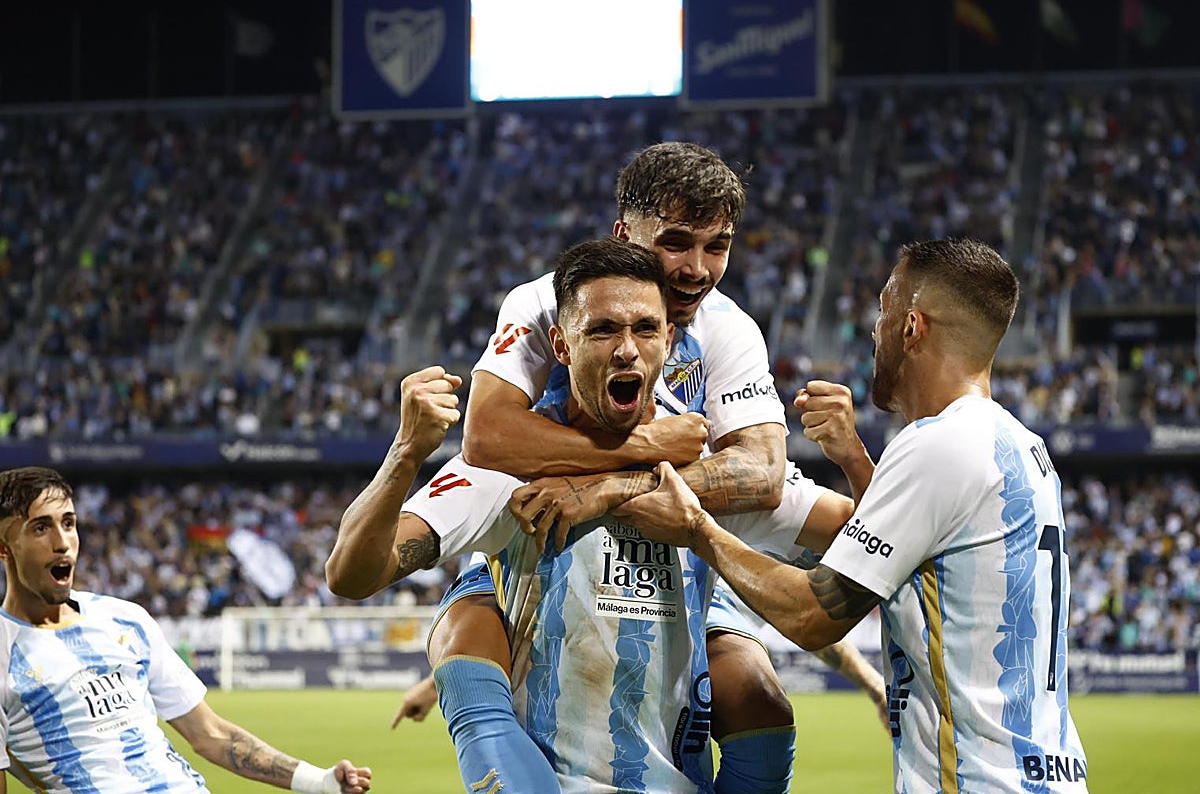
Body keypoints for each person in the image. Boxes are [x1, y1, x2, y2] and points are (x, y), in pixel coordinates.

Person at [327, 239, 865, 792]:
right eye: (603, 329)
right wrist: (405, 454)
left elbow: (867, 540)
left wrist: (852, 456)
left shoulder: (715, 473)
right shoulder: (508, 473)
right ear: (560, 345)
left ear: (671, 339)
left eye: (646, 329)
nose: (627, 350)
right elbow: (351, 573)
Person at [428, 140, 880, 789]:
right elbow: (489, 434)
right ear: (625, 233)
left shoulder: (727, 329)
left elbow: (762, 471)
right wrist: (647, 446)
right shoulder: (544, 302)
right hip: (543, 554)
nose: (697, 268)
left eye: (717, 246)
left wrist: (606, 488)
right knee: (466, 644)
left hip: (670, 565)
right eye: (676, 242)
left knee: (760, 700)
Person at [620, 238, 1090, 792]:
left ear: (912, 327)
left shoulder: (936, 446)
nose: (875, 330)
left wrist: (697, 528)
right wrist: (854, 460)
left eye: (883, 312)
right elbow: (918, 556)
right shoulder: (1018, 445)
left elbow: (814, 614)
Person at [0, 467, 372, 794]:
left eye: (68, 523)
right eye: (40, 528)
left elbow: (210, 734)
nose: (62, 542)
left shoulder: (123, 619)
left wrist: (318, 781)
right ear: (4, 548)